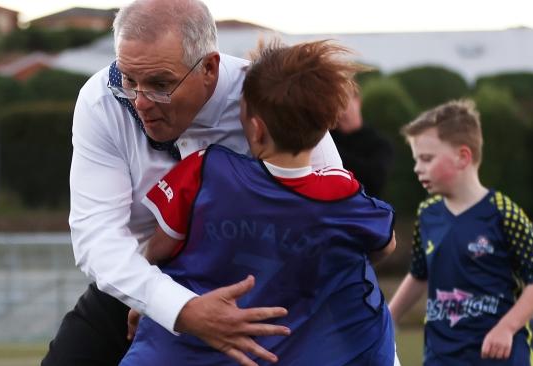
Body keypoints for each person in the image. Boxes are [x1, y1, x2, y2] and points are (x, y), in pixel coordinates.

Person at [41, 1, 343, 365]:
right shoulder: (102, 99)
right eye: (128, 79)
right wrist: (174, 306)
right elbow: (96, 236)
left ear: (210, 68)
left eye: (160, 84)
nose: (140, 102)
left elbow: (332, 219)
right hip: (138, 279)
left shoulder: (272, 99)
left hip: (258, 289)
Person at [119, 39, 399, 366]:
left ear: (255, 127)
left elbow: (159, 249)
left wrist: (149, 298)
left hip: (199, 347)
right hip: (293, 348)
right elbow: (385, 245)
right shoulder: (342, 192)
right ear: (324, 126)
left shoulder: (205, 169)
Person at [388, 99, 533, 365]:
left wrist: (507, 328)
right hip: (441, 356)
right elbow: (419, 275)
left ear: (463, 157)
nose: (418, 168)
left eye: (426, 158)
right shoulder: (427, 213)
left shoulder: (504, 212)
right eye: (416, 159)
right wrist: (387, 318)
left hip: (498, 356)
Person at [330, 89, 394, 197]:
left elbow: (375, 180)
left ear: (358, 101)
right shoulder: (325, 138)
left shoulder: (380, 144)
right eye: (334, 105)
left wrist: (332, 153)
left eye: (343, 103)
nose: (340, 111)